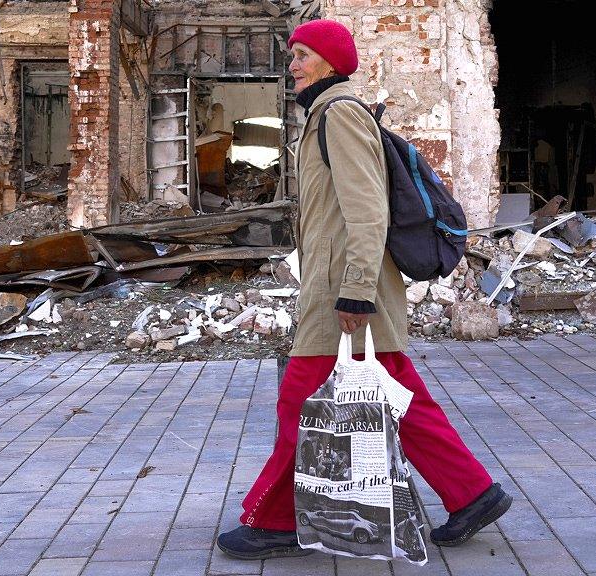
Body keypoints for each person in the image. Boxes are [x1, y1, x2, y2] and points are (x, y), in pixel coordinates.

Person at [216, 19, 511, 561]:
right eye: (293, 55)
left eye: (302, 54)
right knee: (402, 399)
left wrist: (355, 292)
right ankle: (473, 494)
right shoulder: (327, 116)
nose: (294, 64)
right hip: (345, 286)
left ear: (329, 62)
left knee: (299, 403)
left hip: (346, 294)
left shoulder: (340, 116)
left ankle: (280, 520)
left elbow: (368, 211)